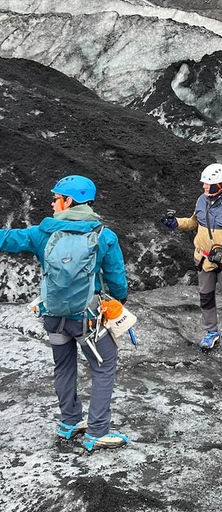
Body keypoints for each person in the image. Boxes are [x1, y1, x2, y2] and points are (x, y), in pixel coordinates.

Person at [0, 175, 130, 451]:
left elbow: (7, 239)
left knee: (63, 366)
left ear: (69, 201)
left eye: (56, 197)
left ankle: (69, 422)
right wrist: (118, 300)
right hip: (87, 319)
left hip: (53, 317)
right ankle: (97, 431)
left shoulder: (41, 233)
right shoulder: (104, 235)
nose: (52, 202)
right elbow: (117, 278)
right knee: (104, 365)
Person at [163, 163, 222, 359]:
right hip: (203, 260)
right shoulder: (202, 200)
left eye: (207, 184)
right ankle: (211, 332)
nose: (204, 187)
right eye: (204, 184)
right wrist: (176, 223)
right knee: (206, 298)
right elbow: (194, 223)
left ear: (220, 185)